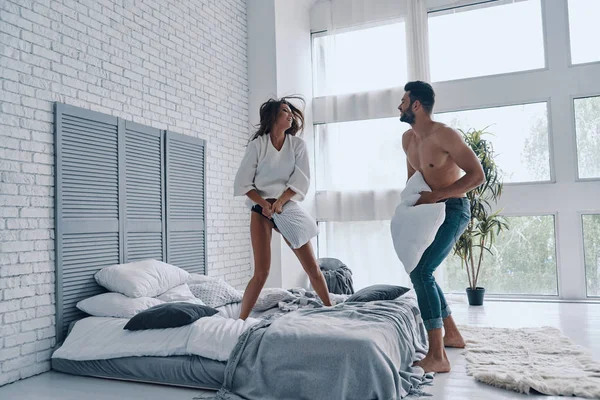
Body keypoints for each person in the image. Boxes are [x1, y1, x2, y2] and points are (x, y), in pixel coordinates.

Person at [398, 81, 485, 373]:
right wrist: (408, 210)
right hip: (427, 212)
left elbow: (477, 175)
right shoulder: (407, 140)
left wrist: (437, 195)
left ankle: (438, 356)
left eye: (403, 101)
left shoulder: (445, 135)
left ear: (417, 106)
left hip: (453, 208)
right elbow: (413, 181)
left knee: (422, 271)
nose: (399, 106)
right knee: (422, 270)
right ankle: (453, 335)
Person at [233, 96, 333, 320]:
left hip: (286, 207)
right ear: (273, 117)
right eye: (285, 112)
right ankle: (240, 321)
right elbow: (243, 184)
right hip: (261, 210)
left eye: (291, 112)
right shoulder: (258, 145)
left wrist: (279, 202)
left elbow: (301, 179)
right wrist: (264, 205)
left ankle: (330, 309)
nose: (290, 115)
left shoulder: (297, 145)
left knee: (311, 267)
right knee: (262, 272)